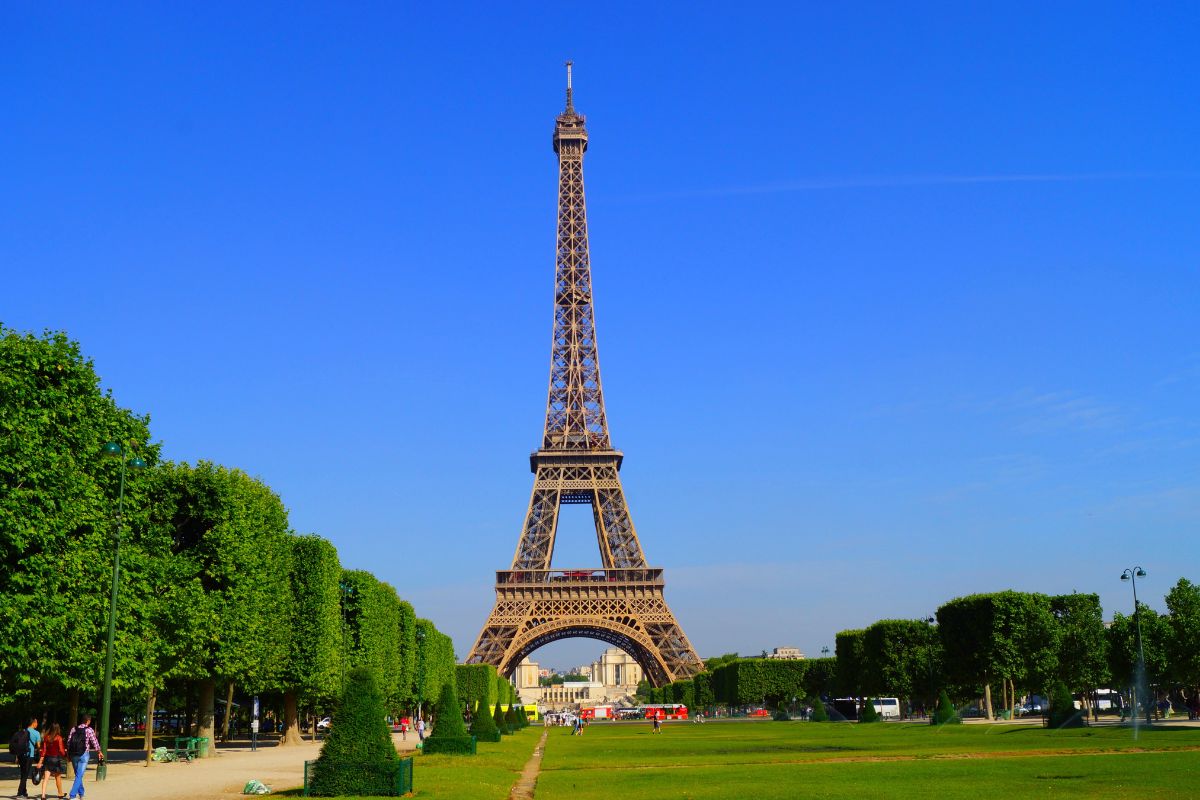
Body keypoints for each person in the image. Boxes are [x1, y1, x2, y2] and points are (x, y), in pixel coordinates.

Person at [65, 715, 103, 799]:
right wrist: (99, 752)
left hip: (74, 754)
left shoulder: (73, 729)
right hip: (84, 754)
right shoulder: (89, 730)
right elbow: (94, 741)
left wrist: (68, 754)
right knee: (79, 775)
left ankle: (81, 793)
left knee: (78, 775)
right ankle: (72, 795)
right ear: (88, 721)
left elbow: (68, 742)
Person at [34, 722, 67, 800]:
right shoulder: (59, 738)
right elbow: (61, 750)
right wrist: (66, 756)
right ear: (57, 729)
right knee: (58, 777)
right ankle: (60, 793)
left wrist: (40, 762)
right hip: (56, 760)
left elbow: (44, 751)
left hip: (48, 759)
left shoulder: (46, 737)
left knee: (46, 778)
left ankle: (43, 795)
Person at [16, 716, 40, 799]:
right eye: (36, 722)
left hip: (21, 755)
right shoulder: (36, 733)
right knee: (25, 775)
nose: (37, 724)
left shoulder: (23, 731)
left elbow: (18, 744)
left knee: (23, 773)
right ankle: (19, 793)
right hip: (29, 755)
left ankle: (24, 792)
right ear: (33, 723)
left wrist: (16, 757)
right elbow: (39, 746)